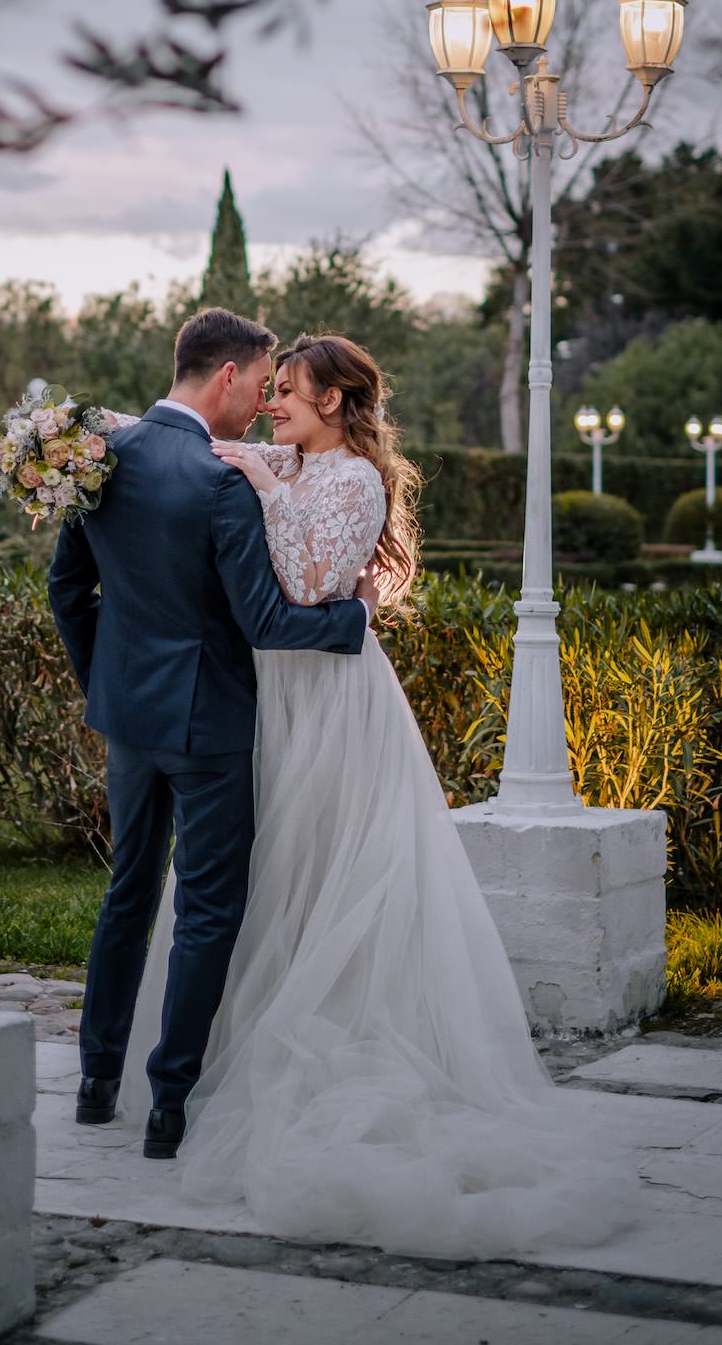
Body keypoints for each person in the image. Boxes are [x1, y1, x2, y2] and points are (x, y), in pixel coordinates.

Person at [115, 331, 644, 1260]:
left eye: (289, 391)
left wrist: (268, 489)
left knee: (327, 870)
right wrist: (85, 441)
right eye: (271, 388)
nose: (272, 403)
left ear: (333, 401)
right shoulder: (284, 458)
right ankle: (221, 1054)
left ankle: (337, 1043)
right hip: (270, 696)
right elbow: (184, 441)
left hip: (331, 699)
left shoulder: (354, 480)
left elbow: (309, 585)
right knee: (265, 874)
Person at [47, 308, 379, 1161]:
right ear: (228, 375)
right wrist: (353, 620)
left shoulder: (98, 459)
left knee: (127, 894)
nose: (264, 403)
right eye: (263, 384)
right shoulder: (220, 481)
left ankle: (95, 1082)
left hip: (128, 722)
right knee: (206, 909)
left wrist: (105, 685)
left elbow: (66, 590)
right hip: (211, 726)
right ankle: (168, 1104)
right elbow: (266, 620)